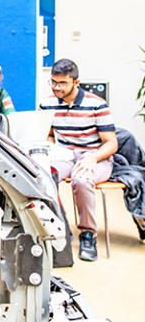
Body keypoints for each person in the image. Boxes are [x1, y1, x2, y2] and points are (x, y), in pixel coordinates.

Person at [40, 58, 117, 262]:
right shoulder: (47, 104)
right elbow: (48, 134)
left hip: (96, 156)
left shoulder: (96, 104)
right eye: (53, 82)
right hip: (65, 155)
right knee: (42, 176)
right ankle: (60, 227)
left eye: (62, 83)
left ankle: (88, 235)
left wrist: (92, 157)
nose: (56, 87)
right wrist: (49, 148)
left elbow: (111, 143)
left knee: (81, 179)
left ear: (76, 82)